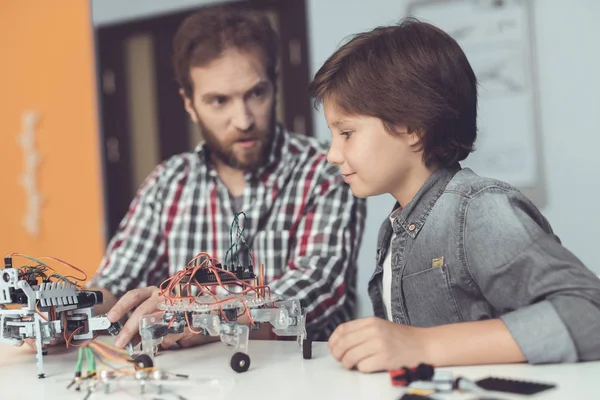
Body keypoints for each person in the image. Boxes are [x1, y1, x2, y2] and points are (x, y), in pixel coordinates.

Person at [309, 18, 600, 372]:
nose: (332, 154)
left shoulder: (477, 210)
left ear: (412, 128)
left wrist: (421, 344)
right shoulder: (396, 227)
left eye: (347, 133)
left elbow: (589, 314)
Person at [85, 6, 366, 349]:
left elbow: (314, 291)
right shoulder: (167, 183)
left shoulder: (323, 170)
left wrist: (192, 312)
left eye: (256, 93)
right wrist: (68, 312)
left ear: (274, 86)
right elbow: (114, 284)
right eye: (219, 101)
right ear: (189, 104)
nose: (243, 119)